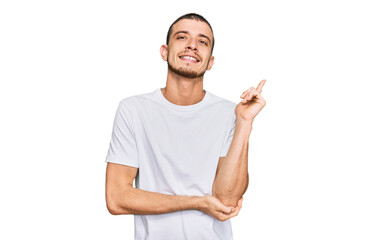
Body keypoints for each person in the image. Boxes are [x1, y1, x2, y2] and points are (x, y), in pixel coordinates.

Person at [104, 13, 266, 240]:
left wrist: (245, 123)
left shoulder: (230, 113)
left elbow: (227, 200)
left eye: (202, 41)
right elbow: (116, 198)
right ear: (164, 51)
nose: (192, 45)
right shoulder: (133, 110)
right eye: (182, 37)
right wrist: (197, 203)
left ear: (210, 62)